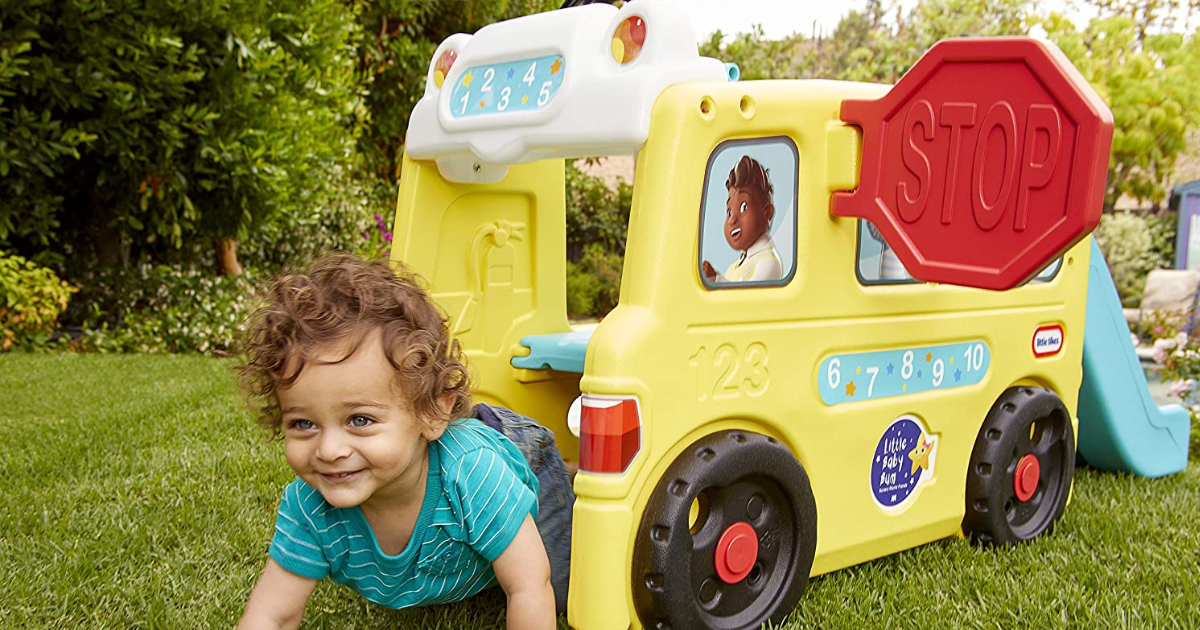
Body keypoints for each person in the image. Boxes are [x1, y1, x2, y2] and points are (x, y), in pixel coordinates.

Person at [235, 254, 573, 630]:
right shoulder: (309, 509)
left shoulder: (473, 475)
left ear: (431, 413)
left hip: (522, 456)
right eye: (303, 423)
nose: (329, 451)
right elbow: (273, 615)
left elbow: (529, 586)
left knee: (559, 588)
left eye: (359, 420)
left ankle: (572, 477)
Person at [702, 155, 784, 283]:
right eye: (729, 211)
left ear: (767, 212)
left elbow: (745, 299)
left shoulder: (768, 263)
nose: (732, 220)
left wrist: (717, 280)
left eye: (743, 207)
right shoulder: (734, 267)